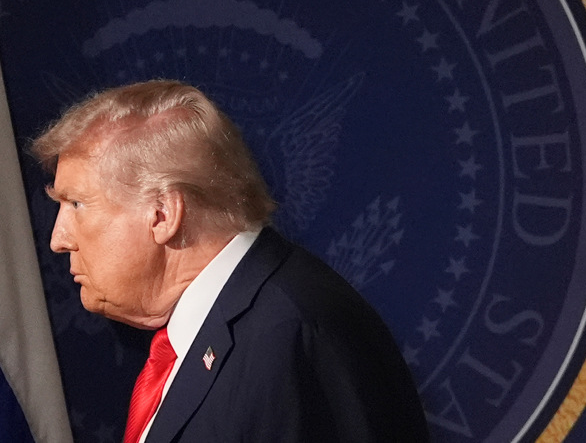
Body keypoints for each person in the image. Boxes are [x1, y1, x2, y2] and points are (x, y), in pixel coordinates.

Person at [31, 79, 430, 442]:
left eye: (76, 203)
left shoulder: (290, 333)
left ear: (163, 215)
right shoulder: (226, 328)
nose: (58, 240)